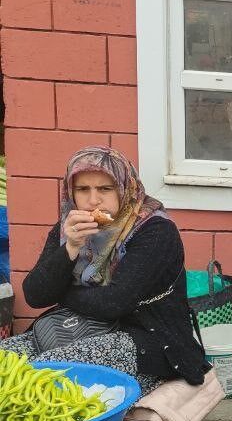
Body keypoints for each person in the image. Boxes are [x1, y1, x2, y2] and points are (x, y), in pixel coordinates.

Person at [2, 147, 209, 394]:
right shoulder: (70, 228)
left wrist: (62, 293)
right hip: (74, 327)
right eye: (82, 189)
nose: (93, 200)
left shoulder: (155, 231)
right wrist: (70, 247)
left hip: (147, 339)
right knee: (6, 360)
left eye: (105, 189)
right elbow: (35, 295)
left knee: (43, 374)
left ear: (125, 188)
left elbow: (113, 303)